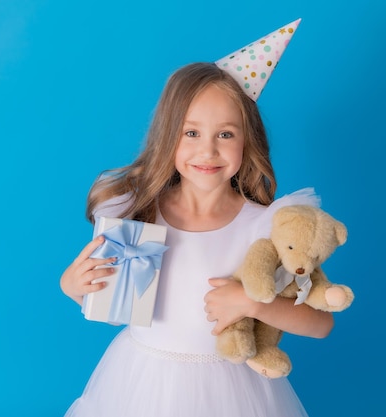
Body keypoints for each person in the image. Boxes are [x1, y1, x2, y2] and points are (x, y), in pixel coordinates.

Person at [60, 20, 333, 417]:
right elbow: (110, 304)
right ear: (167, 135)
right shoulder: (138, 214)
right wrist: (72, 285)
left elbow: (321, 324)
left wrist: (252, 303)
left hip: (235, 391)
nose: (207, 151)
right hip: (142, 382)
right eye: (191, 133)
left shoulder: (267, 227)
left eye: (225, 134)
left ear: (247, 140)